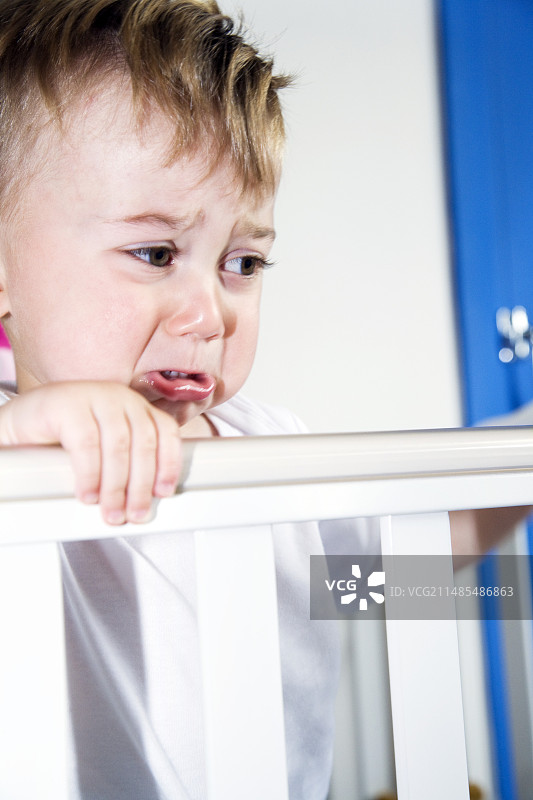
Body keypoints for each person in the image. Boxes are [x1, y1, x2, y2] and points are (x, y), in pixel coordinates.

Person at [0, 1, 528, 798]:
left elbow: (377, 581)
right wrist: (24, 430)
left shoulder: (269, 454)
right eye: (154, 252)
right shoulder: (15, 448)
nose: (211, 315)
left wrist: (516, 471)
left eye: (243, 263)